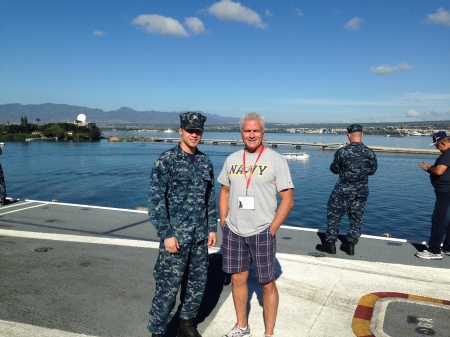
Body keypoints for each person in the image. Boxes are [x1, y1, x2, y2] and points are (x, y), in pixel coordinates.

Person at [218, 112, 295, 337]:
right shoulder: (232, 159)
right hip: (233, 230)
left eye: (256, 130)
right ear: (241, 133)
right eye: (247, 130)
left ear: (263, 133)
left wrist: (271, 229)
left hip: (262, 230)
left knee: (267, 284)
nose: (251, 135)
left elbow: (288, 200)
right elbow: (224, 190)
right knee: (238, 279)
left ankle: (268, 333)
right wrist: (224, 221)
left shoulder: (276, 160)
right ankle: (242, 326)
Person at [147, 112, 217, 337]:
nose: (194, 135)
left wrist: (212, 228)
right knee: (167, 288)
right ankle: (157, 331)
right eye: (190, 130)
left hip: (199, 238)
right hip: (175, 238)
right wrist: (166, 234)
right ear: (181, 131)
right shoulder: (166, 161)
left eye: (198, 131)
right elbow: (156, 202)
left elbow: (210, 198)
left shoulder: (205, 162)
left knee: (196, 285)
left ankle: (186, 324)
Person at [316, 124, 377, 256]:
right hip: (361, 191)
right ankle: (350, 245)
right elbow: (372, 171)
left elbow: (334, 169)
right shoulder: (370, 153)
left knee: (334, 215)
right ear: (362, 135)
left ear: (349, 135)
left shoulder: (342, 152)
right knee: (356, 217)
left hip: (343, 190)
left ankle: (330, 244)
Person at [416, 131, 450, 260]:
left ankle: (434, 250)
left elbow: (439, 171)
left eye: (437, 145)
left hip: (446, 192)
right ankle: (448, 247)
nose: (437, 148)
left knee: (439, 220)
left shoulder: (447, 154)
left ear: (444, 143)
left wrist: (427, 168)